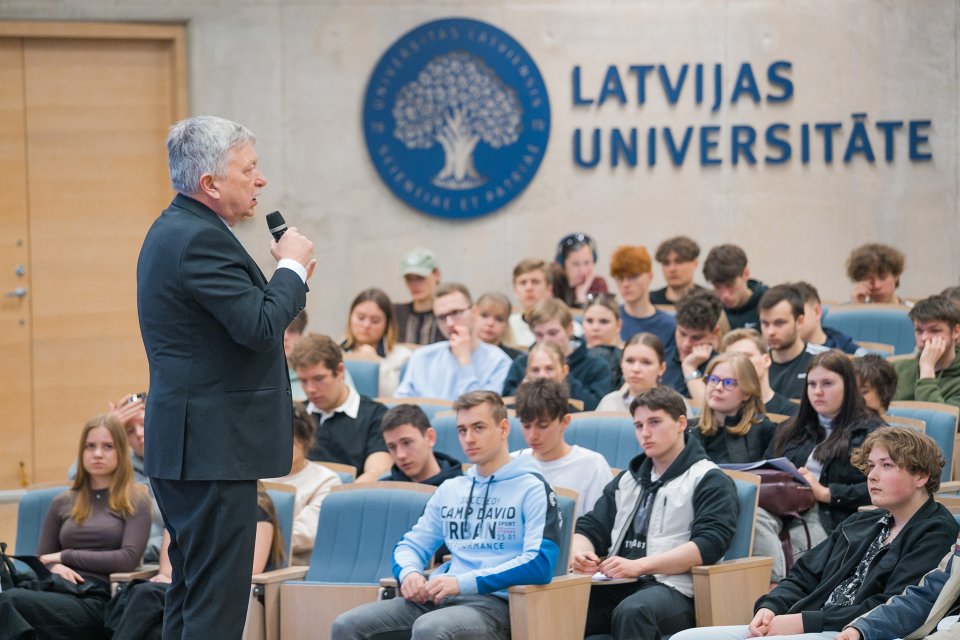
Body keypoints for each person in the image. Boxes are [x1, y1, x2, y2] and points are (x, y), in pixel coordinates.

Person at [136, 115, 314, 639]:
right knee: (214, 607)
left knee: (192, 595)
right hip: (212, 450)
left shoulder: (179, 229)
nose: (260, 180)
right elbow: (260, 327)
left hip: (194, 447)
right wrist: (293, 270)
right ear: (210, 184)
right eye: (249, 169)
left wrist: (287, 278)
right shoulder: (199, 240)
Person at [673, 427, 958, 640]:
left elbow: (893, 605)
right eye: (871, 466)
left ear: (921, 476)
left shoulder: (936, 531)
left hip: (845, 631)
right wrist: (771, 607)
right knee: (684, 638)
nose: (871, 476)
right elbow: (804, 575)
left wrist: (803, 622)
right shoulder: (861, 523)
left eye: (887, 466)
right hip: (805, 622)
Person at [331, 391, 562, 640]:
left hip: (496, 605)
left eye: (478, 428)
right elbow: (410, 545)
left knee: (431, 628)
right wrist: (410, 574)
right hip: (441, 599)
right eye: (462, 430)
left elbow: (539, 563)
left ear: (504, 429)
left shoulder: (532, 487)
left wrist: (463, 582)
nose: (469, 439)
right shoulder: (452, 489)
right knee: (347, 624)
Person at [573, 386, 739, 639]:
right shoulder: (628, 479)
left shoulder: (709, 479)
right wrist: (580, 553)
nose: (645, 433)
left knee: (634, 611)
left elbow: (708, 545)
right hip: (620, 582)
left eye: (654, 422)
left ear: (681, 423)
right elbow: (590, 527)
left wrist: (639, 566)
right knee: (563, 603)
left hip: (675, 588)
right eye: (639, 426)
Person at [0, 414, 151, 639]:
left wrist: (64, 557)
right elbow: (42, 558)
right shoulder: (62, 501)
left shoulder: (136, 500)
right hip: (55, 589)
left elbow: (127, 558)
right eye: (90, 446)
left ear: (121, 451)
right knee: (10, 601)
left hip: (98, 598)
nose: (97, 453)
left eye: (107, 447)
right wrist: (54, 568)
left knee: (9, 602)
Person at [105, 485, 287, 640]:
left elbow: (250, 567)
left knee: (147, 597)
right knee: (145, 600)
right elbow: (168, 566)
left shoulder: (256, 506)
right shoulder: (188, 507)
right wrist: (168, 576)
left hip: (225, 589)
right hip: (184, 584)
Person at [766, 351, 886, 561]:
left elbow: (882, 487)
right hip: (782, 509)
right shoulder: (790, 428)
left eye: (827, 384)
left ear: (848, 387)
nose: (818, 392)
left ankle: (775, 587)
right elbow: (767, 467)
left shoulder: (872, 432)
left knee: (780, 554)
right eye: (812, 385)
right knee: (746, 527)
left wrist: (827, 493)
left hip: (830, 517)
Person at [290, 334, 392, 482]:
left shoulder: (376, 415)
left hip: (348, 500)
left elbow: (377, 472)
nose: (310, 389)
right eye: (303, 381)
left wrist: (334, 501)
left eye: (319, 379)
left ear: (340, 371)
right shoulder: (295, 415)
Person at [395, 283, 513, 400]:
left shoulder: (499, 361)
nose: (449, 323)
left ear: (475, 312)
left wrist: (464, 361)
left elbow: (480, 413)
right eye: (441, 317)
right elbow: (399, 406)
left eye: (456, 313)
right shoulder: (422, 357)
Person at [514, 379, 612, 517]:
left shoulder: (593, 466)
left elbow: (600, 529)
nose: (532, 436)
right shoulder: (511, 464)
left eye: (543, 426)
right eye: (526, 426)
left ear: (564, 422)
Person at [263, 404, 341, 565]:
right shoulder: (257, 477)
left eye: (286, 440)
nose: (278, 447)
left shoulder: (326, 480)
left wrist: (255, 540)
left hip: (295, 568)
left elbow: (306, 533)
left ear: (305, 440)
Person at [501, 298, 611, 410]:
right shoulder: (521, 363)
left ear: (570, 329)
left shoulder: (596, 366)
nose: (546, 340)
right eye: (539, 334)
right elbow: (506, 407)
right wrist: (525, 390)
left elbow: (595, 409)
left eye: (553, 333)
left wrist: (562, 376)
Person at [687, 352, 778, 464]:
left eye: (729, 382)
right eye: (714, 380)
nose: (718, 387)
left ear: (747, 393)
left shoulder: (764, 430)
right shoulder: (688, 429)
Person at [760, 284, 830, 401]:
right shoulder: (755, 362)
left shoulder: (825, 359)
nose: (770, 332)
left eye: (779, 323)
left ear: (800, 321)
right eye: (765, 323)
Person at [341, 287, 414, 397]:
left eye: (375, 321)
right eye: (360, 318)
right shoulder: (335, 351)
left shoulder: (403, 357)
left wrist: (376, 362)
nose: (366, 325)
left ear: (387, 325)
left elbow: (396, 397)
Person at [892, 294, 960, 408]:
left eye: (934, 330)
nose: (924, 338)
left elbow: (938, 423)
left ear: (956, 332)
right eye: (919, 330)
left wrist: (927, 369)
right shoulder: (896, 368)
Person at [610, 244, 678, 350]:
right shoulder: (608, 320)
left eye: (633, 277)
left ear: (649, 276)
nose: (625, 284)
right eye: (620, 278)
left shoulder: (669, 325)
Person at [662, 289, 724, 406]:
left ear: (714, 332)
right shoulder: (661, 359)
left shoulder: (722, 367)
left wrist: (689, 368)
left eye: (696, 338)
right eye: (682, 334)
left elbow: (710, 409)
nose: (686, 344)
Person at [719, 328, 798, 417]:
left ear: (766, 360)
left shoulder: (792, 413)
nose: (739, 363)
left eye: (747, 356)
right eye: (732, 358)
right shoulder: (722, 412)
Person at [380, 403, 463, 485]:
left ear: (430, 437)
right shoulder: (382, 490)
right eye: (392, 447)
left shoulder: (463, 489)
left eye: (407, 443)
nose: (400, 455)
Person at [703, 244, 769, 330]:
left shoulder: (769, 303)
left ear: (745, 274)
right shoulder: (709, 309)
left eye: (730, 285)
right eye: (718, 287)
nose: (725, 295)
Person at [597, 332, 667, 413]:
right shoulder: (609, 403)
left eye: (646, 362)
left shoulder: (673, 404)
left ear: (661, 368)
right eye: (630, 361)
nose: (636, 369)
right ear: (621, 364)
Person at [791, 281, 865, 355]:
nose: (791, 322)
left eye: (798, 313)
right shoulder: (784, 351)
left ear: (817, 312)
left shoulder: (844, 346)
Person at [394, 247, 444, 345]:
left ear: (436, 274)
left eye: (420, 278)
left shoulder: (448, 316)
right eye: (409, 279)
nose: (414, 285)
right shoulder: (395, 314)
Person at [521, 341, 589, 413]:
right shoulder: (512, 415)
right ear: (527, 373)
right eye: (535, 370)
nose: (542, 375)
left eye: (549, 369)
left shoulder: (576, 418)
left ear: (564, 371)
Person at [553, 232, 609, 308]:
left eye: (587, 263)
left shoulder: (598, 284)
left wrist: (581, 297)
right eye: (575, 264)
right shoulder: (554, 284)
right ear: (563, 264)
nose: (582, 271)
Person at [582, 293, 625, 391]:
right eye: (589, 321)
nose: (595, 327)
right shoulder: (572, 355)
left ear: (618, 325)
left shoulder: (629, 357)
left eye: (604, 321)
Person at [650, 236, 705, 304]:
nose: (672, 269)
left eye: (679, 261)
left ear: (694, 263)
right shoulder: (650, 301)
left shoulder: (710, 300)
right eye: (666, 263)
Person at [475, 292, 523, 360]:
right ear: (473, 315)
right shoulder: (460, 352)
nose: (490, 323)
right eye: (484, 315)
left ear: (506, 324)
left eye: (499, 319)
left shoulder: (515, 359)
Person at [285, 310, 309, 401]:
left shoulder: (319, 369)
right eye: (280, 329)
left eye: (292, 330)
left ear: (302, 335)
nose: (285, 336)